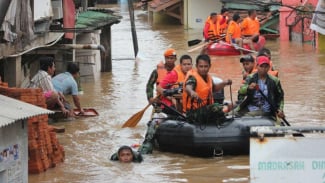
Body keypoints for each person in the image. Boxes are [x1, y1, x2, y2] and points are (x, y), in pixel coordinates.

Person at [183, 54, 232, 124]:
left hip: (205, 110)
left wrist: (225, 83)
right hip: (193, 113)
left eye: (206, 66)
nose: (203, 69)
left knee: (221, 106)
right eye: (201, 66)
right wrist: (192, 92)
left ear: (210, 66)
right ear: (197, 66)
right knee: (216, 107)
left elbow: (214, 88)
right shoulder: (192, 78)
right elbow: (188, 87)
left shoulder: (208, 77)